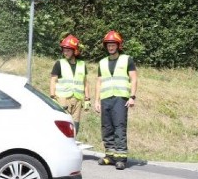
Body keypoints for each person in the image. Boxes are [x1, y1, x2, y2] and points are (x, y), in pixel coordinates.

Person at [94, 30, 137, 170]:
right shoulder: (102, 62)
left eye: (113, 45)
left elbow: (134, 78)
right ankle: (110, 156)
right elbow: (99, 82)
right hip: (106, 98)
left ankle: (121, 158)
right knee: (107, 128)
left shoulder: (127, 59)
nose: (111, 47)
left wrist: (132, 97)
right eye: (108, 45)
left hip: (120, 98)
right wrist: (96, 100)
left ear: (118, 45)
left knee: (119, 127)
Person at [49, 34, 90, 135]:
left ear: (75, 51)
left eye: (68, 50)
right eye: (64, 50)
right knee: (63, 123)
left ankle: (73, 141)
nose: (65, 52)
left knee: (75, 123)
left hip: (77, 99)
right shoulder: (59, 63)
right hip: (62, 99)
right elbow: (53, 80)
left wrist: (87, 99)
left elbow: (85, 83)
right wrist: (52, 97)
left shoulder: (82, 64)